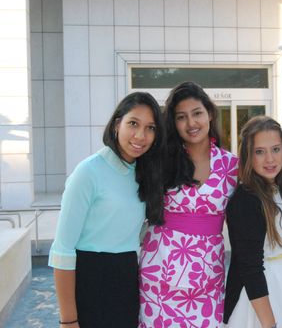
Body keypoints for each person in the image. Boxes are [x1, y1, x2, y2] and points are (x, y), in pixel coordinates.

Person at [48, 92, 164, 328]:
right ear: (116, 124)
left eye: (150, 128)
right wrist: (68, 320)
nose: (141, 136)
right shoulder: (88, 172)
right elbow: (62, 250)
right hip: (90, 279)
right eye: (133, 124)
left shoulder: (143, 173)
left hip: (127, 279)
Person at [138, 81, 238, 328]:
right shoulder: (160, 161)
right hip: (159, 272)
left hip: (208, 275)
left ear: (210, 114)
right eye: (181, 117)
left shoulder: (232, 165)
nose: (191, 123)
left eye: (197, 114)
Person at [224, 116, 282, 328]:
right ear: (248, 156)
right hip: (262, 301)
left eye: (275, 149)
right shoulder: (245, 199)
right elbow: (250, 269)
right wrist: (269, 324)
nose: (270, 159)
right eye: (259, 151)